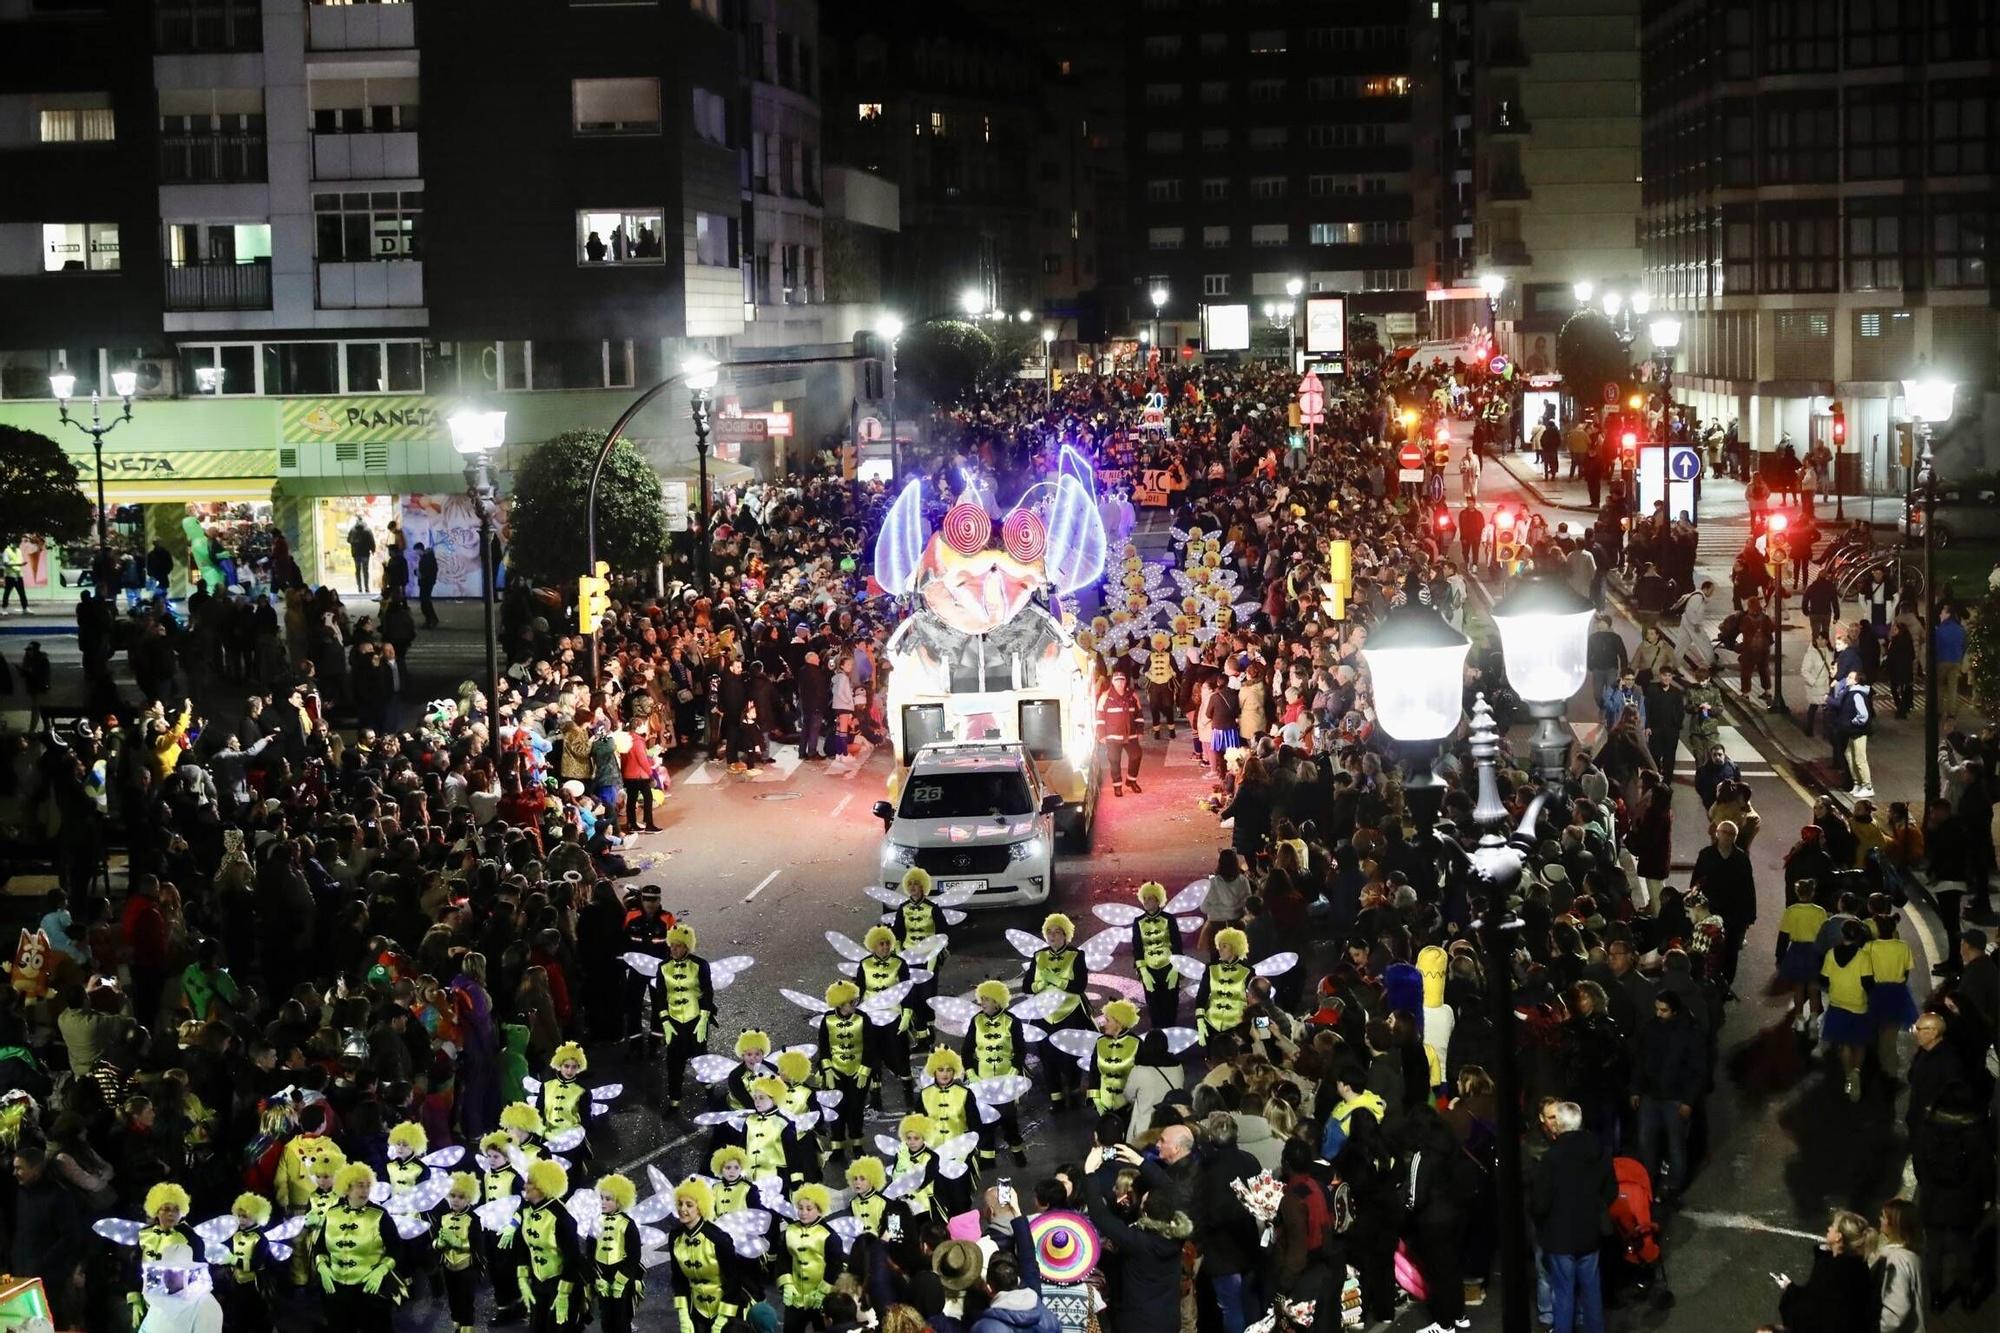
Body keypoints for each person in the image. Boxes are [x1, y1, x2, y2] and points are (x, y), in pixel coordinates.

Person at [1532, 1101, 1616, 1333]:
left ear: (1558, 1125)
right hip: (1589, 1232)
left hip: (1560, 1237)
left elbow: (1540, 1203)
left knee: (1564, 1293)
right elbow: (1611, 1191)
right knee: (1591, 1293)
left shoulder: (1551, 1159)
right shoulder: (1599, 1151)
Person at [1774, 1210, 1878, 1333]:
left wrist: (1789, 1293)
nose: (1829, 1228)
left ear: (1839, 1237)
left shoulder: (1831, 1270)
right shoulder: (1858, 1266)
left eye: (1833, 1226)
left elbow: (1811, 1311)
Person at [1872, 1198, 1925, 1333]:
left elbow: (1897, 1309)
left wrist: (1878, 1328)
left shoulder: (1897, 1259)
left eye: (1883, 1216)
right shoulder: (1912, 1255)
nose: (1880, 1219)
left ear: (1894, 1223)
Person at [1097, 667, 1143, 796]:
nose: (1120, 683)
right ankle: (1117, 786)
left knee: (1136, 756)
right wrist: (1101, 734)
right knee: (1114, 760)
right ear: (1113, 682)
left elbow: (1139, 714)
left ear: (1125, 681)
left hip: (1131, 734)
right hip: (1113, 736)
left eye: (1122, 680)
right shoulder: (1105, 697)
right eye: (1117, 681)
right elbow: (1100, 717)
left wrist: (1140, 731)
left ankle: (1131, 781)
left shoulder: (1133, 696)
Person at [348, 517, 376, 595]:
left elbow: (348, 540)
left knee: (357, 571)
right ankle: (366, 588)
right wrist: (373, 549)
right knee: (365, 571)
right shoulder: (367, 530)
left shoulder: (352, 530)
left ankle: (359, 588)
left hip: (356, 554)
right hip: (365, 554)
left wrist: (354, 543)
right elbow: (372, 541)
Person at [415, 543, 440, 627]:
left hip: (426, 582)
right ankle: (431, 619)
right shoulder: (427, 557)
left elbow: (429, 571)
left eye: (416, 551)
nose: (416, 553)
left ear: (419, 549)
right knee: (425, 601)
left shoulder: (427, 558)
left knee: (425, 602)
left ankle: (431, 619)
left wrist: (420, 574)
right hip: (426, 582)